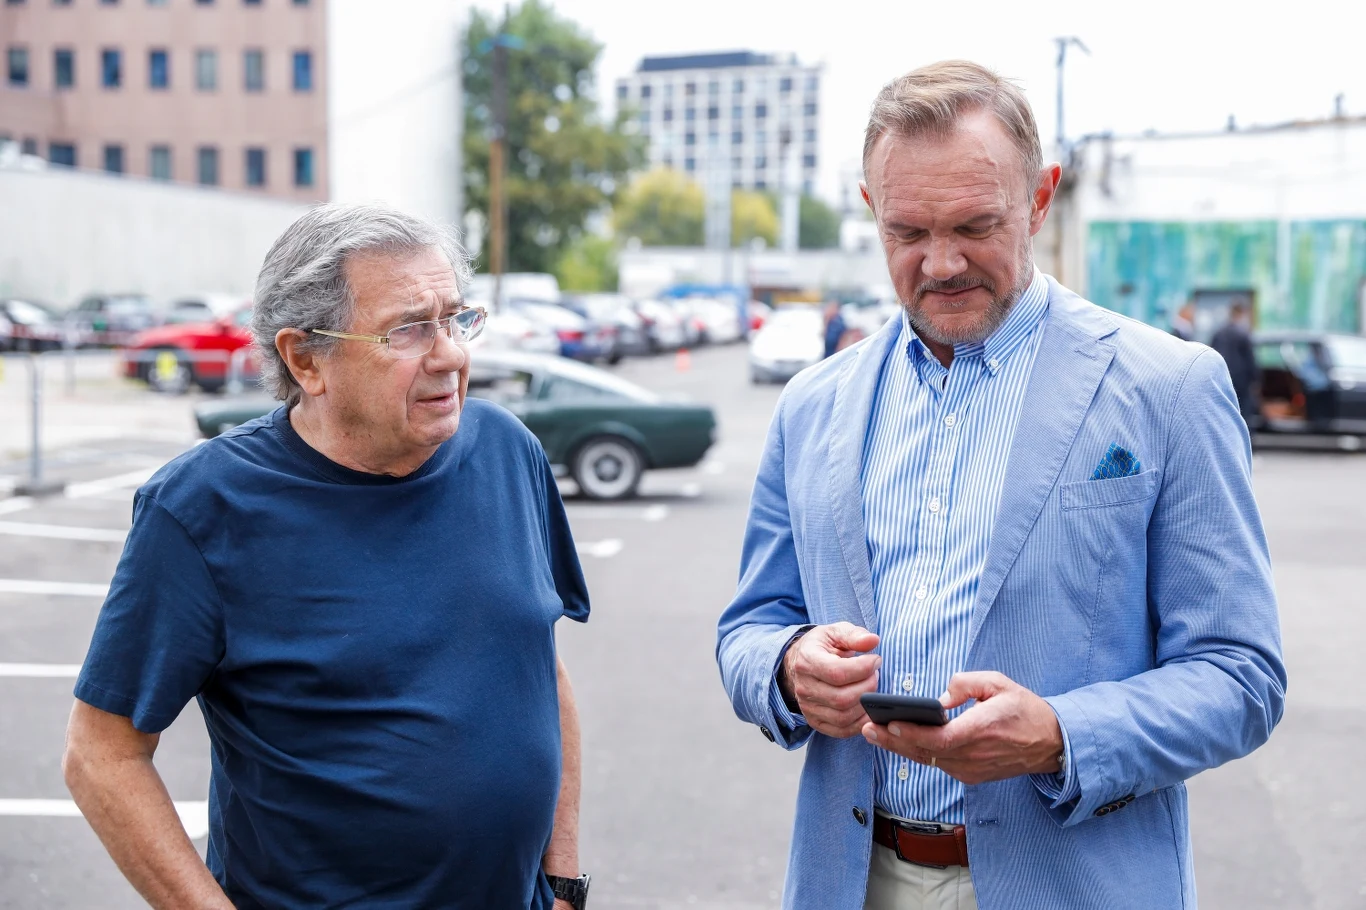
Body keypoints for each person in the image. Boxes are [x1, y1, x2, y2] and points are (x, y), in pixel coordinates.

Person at [716, 61, 1284, 910]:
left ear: (1040, 199)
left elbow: (1241, 675)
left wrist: (1059, 736)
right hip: (854, 879)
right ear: (872, 212)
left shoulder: (1169, 388)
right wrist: (785, 665)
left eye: (975, 225)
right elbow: (751, 626)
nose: (940, 263)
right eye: (907, 231)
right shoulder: (813, 405)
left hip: (1076, 885)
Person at [63, 203, 593, 910]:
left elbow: (536, 660)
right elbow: (102, 758)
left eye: (455, 318)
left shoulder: (507, 451)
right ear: (305, 358)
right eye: (408, 328)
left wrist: (561, 884)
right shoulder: (202, 508)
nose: (451, 354)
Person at [1210, 299, 1261, 428]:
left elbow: (1211, 356)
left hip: (1221, 380)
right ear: (1242, 313)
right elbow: (1250, 360)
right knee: (1243, 415)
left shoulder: (1219, 333)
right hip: (1242, 383)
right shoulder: (1243, 334)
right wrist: (1256, 380)